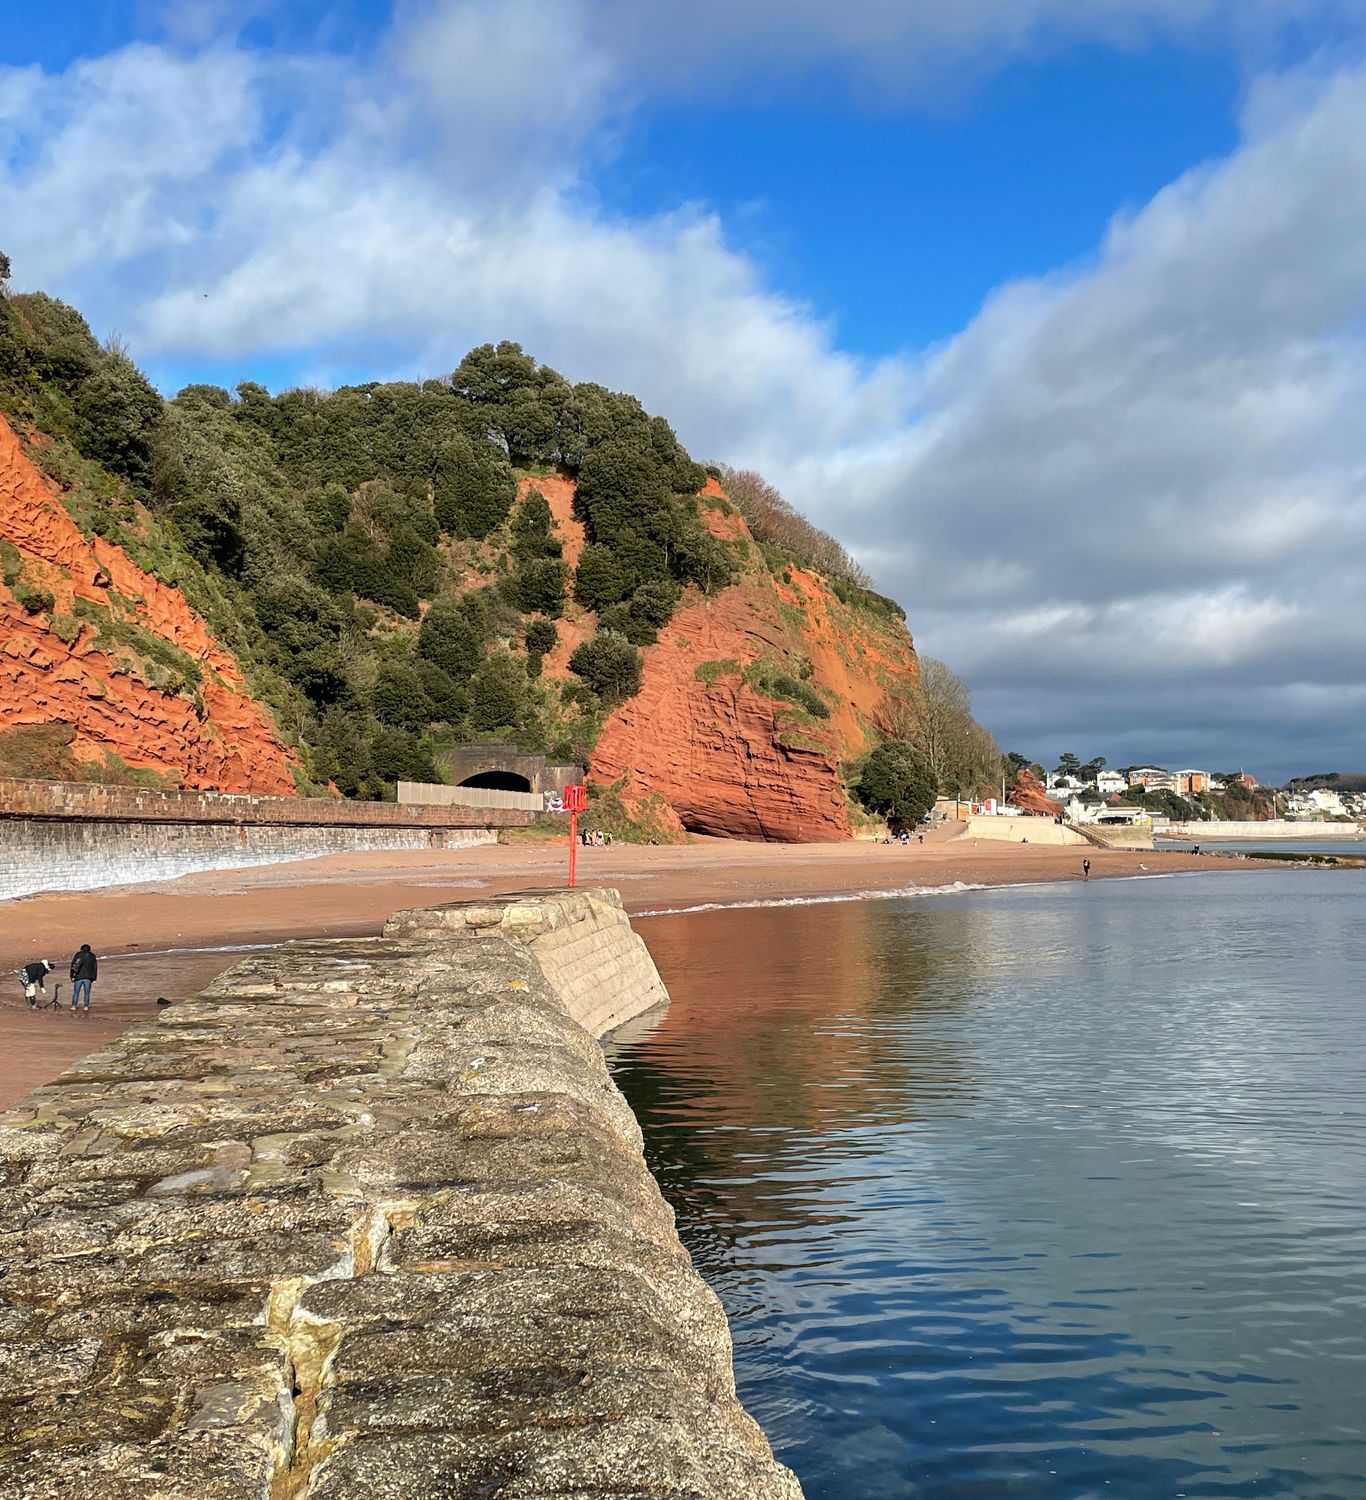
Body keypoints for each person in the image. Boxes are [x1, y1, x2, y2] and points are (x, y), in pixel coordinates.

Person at [69, 944, 97, 1012]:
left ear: (81, 949)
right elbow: (95, 967)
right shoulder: (92, 956)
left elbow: (73, 965)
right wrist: (94, 978)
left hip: (78, 976)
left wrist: (72, 976)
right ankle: (86, 1006)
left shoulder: (78, 954)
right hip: (88, 977)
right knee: (87, 993)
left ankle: (74, 1006)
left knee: (76, 992)